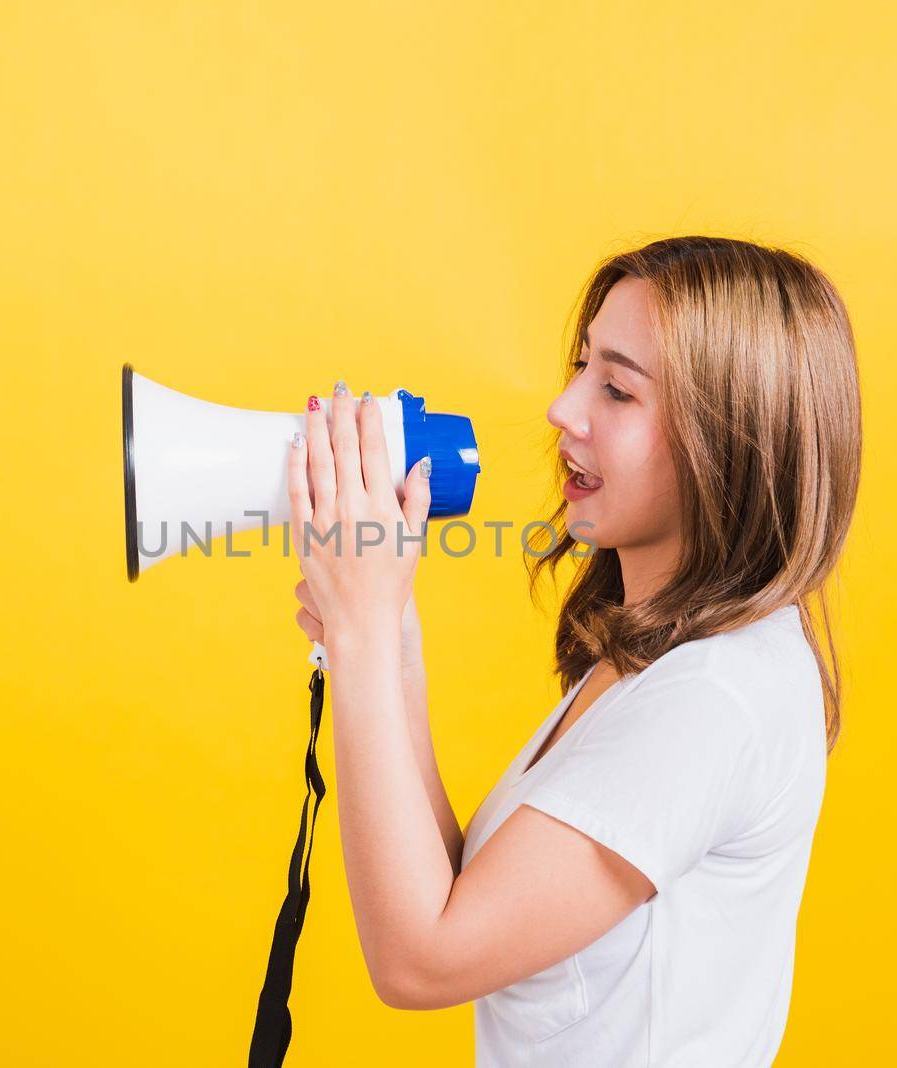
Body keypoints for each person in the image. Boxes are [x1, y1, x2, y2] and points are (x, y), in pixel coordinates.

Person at [285, 235, 861, 1066]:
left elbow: (421, 959)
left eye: (618, 389)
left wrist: (365, 635)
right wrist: (385, 632)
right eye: (583, 365)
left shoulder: (713, 696)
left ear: (729, 446)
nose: (563, 407)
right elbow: (460, 893)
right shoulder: (655, 659)